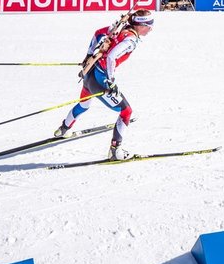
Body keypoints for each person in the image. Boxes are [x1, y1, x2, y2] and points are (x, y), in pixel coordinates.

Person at [54, 9, 154, 160]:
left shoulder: (121, 28)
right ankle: (115, 151)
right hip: (100, 80)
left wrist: (88, 55)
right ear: (140, 25)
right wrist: (111, 81)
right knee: (126, 112)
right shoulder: (131, 41)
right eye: (149, 25)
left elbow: (98, 33)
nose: (151, 29)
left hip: (90, 73)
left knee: (84, 105)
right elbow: (112, 57)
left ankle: (64, 129)